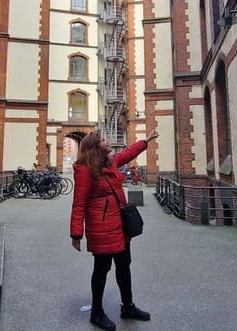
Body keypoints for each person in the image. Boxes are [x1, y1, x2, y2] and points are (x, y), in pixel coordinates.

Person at [70, 128, 159, 330]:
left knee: (124, 265)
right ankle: (96, 313)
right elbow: (79, 204)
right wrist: (76, 234)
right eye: (103, 140)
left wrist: (146, 141)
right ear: (94, 148)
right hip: (101, 228)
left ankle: (128, 307)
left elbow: (128, 153)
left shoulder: (111, 162)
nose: (107, 141)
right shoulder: (85, 170)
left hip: (120, 226)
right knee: (101, 270)